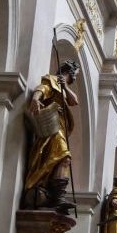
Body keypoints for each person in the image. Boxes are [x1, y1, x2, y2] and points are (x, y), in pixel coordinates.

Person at [23, 60, 80, 213]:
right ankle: (57, 198)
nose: (75, 78)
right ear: (72, 73)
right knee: (64, 157)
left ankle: (57, 197)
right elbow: (43, 88)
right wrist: (36, 98)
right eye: (75, 75)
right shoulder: (52, 80)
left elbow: (74, 101)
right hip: (51, 126)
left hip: (60, 127)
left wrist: (65, 86)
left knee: (63, 159)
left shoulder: (63, 86)